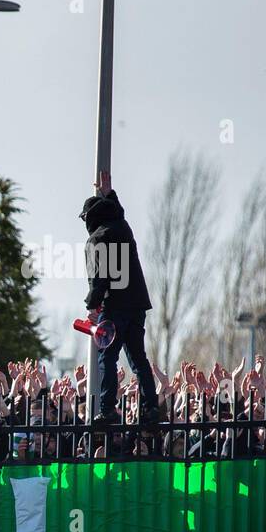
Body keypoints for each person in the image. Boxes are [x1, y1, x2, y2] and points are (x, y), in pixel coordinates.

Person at [80, 169, 157, 425]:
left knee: (108, 358)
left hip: (114, 307)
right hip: (137, 305)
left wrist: (93, 304)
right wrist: (109, 193)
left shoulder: (96, 239)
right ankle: (151, 407)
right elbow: (117, 213)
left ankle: (108, 409)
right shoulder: (123, 227)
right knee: (138, 358)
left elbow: (99, 278)